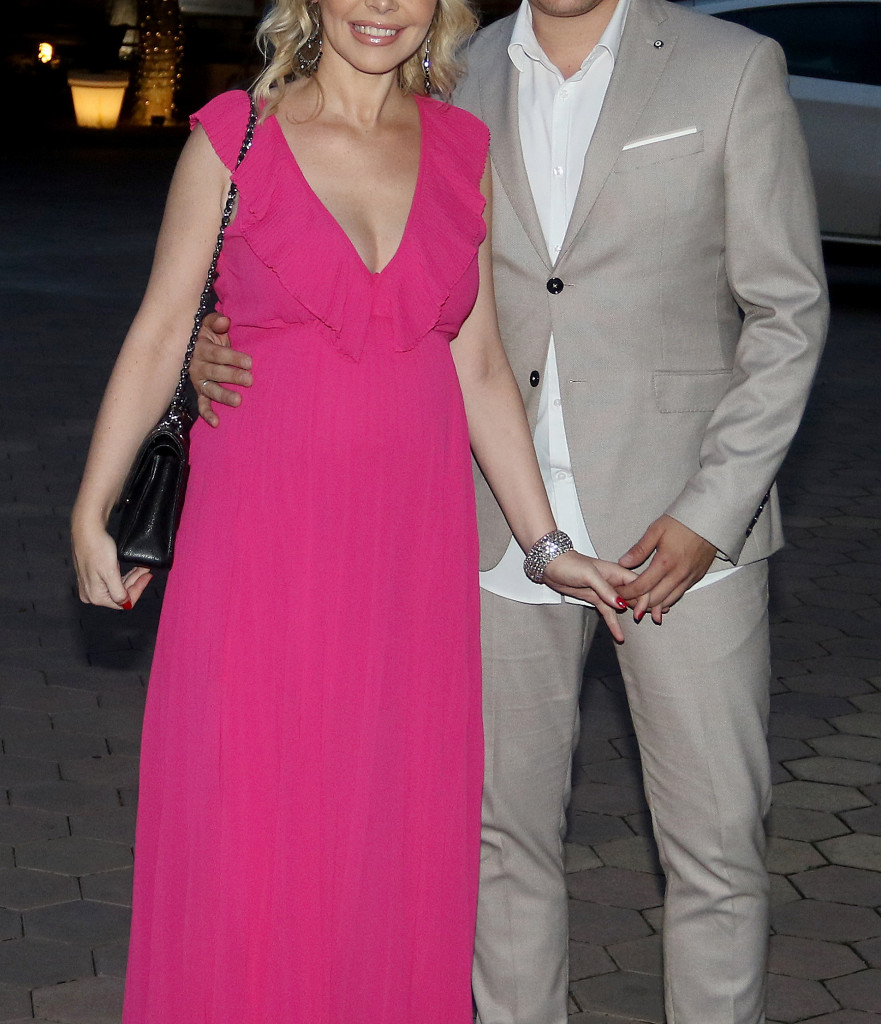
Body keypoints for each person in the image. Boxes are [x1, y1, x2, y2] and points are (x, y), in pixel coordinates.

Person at [189, 0, 830, 1018]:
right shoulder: (446, 72)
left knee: (716, 847)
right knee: (498, 845)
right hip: (493, 523)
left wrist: (713, 510)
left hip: (682, 531)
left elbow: (788, 312)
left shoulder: (732, 67)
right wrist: (219, 336)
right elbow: (344, 244)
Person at [69, 0, 637, 1018]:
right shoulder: (234, 137)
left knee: (386, 830)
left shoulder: (463, 150)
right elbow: (160, 330)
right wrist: (91, 506)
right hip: (260, 544)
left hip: (408, 562)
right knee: (248, 824)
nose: (381, 7)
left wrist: (546, 543)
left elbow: (481, 365)